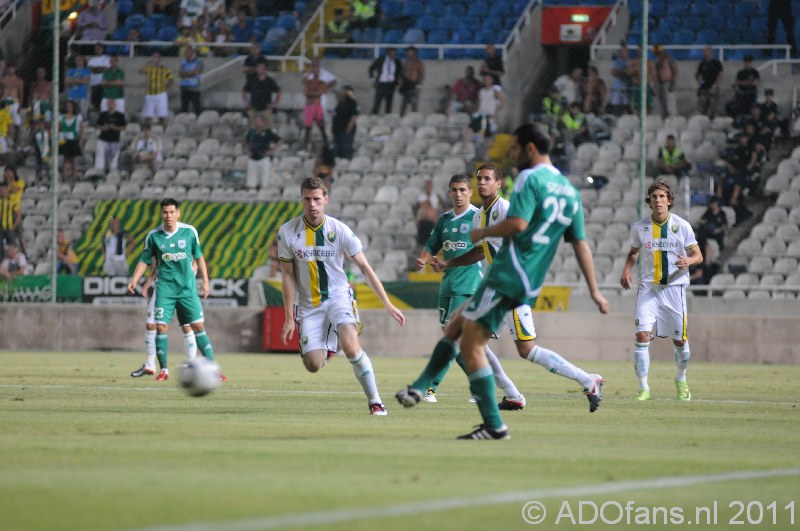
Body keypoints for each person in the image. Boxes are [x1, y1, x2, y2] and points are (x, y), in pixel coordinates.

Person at [396, 124, 609, 440]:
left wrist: (481, 233)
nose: (512, 155)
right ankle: (424, 389)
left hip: (510, 276)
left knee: (472, 342)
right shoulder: (569, 190)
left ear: (530, 149)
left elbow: (517, 225)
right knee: (459, 328)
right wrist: (594, 289)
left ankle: (493, 422)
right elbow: (580, 242)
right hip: (519, 279)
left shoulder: (527, 181)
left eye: (514, 149)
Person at [433, 163, 606, 411]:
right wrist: (449, 262)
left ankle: (589, 380)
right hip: (498, 289)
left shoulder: (505, 209)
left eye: (487, 179)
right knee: (471, 340)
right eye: (479, 179)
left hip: (513, 289)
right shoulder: (479, 216)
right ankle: (513, 394)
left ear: (498, 183)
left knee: (526, 349)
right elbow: (481, 252)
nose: (482, 183)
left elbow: (524, 233)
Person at [277, 177, 405, 415]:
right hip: (309, 306)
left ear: (325, 199)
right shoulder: (287, 232)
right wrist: (288, 317)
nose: (312, 204)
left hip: (338, 298)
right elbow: (287, 276)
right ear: (301, 199)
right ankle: (328, 344)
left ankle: (375, 401)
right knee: (313, 365)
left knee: (352, 346)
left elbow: (365, 268)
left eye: (317, 199)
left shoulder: (339, 230)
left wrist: (387, 303)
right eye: (307, 199)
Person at [417, 171, 526, 408]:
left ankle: (430, 386)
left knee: (453, 338)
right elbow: (432, 244)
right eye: (454, 190)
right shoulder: (445, 220)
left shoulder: (479, 217)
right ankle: (486, 387)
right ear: (449, 192)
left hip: (470, 284)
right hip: (448, 284)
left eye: (462, 190)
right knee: (470, 345)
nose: (458, 194)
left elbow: (480, 252)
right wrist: (425, 259)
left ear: (470, 192)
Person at [620, 179, 702, 402]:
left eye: (662, 197)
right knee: (642, 335)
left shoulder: (682, 226)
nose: (658, 200)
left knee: (680, 341)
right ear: (650, 202)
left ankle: (681, 379)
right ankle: (643, 388)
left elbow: (698, 255)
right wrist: (627, 269)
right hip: (648, 288)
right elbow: (633, 252)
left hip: (674, 289)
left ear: (669, 201)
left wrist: (689, 261)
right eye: (654, 197)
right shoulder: (640, 227)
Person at [128, 198, 224, 382]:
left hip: (187, 289)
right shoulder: (154, 236)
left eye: (172, 212)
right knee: (161, 327)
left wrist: (205, 281)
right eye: (165, 212)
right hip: (165, 289)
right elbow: (145, 260)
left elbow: (199, 257)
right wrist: (135, 279)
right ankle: (163, 370)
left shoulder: (189, 232)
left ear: (178, 213)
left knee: (198, 327)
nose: (169, 215)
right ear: (161, 213)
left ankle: (212, 369)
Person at [130, 263, 200, 379]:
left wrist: (185, 279)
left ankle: (191, 366)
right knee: (151, 324)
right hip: (163, 285)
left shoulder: (188, 244)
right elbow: (158, 263)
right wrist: (148, 282)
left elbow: (196, 262)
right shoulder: (159, 244)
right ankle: (150, 365)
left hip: (183, 285)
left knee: (187, 326)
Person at [470, 73, 505, 157]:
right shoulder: (481, 91)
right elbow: (478, 103)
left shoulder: (494, 91)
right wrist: (474, 111)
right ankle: (474, 153)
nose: (486, 81)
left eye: (488, 79)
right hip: (480, 114)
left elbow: (503, 102)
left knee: (488, 137)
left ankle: (486, 155)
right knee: (472, 131)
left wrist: (496, 113)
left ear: (491, 80)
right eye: (485, 79)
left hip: (489, 115)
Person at [241, 62, 281, 129]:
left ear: (265, 70)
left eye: (262, 68)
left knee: (268, 129)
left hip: (266, 109)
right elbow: (243, 90)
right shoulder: (252, 80)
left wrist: (275, 103)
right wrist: (246, 102)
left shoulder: (270, 81)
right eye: (259, 68)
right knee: (252, 129)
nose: (260, 70)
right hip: (254, 108)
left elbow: (279, 91)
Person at [139, 51, 173, 127]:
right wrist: (148, 62)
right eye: (153, 57)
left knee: (162, 115)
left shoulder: (165, 69)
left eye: (156, 57)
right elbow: (140, 71)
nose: (154, 59)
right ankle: (147, 130)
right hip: (149, 94)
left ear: (159, 58)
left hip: (160, 94)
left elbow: (171, 80)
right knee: (148, 115)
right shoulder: (149, 69)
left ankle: (162, 131)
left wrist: (165, 87)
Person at [245, 115, 280, 189]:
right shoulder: (251, 132)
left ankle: (263, 192)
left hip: (264, 158)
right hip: (253, 158)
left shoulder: (268, 132)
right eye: (257, 121)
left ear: (263, 122)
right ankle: (252, 193)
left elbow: (279, 140)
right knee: (251, 181)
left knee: (264, 180)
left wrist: (271, 150)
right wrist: (248, 150)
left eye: (260, 121)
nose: (258, 123)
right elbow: (246, 141)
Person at [301, 63, 329, 153]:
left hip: (317, 106)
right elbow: (306, 92)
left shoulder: (322, 82)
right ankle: (305, 148)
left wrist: (312, 94)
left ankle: (327, 145)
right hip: (309, 107)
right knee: (307, 128)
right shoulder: (308, 82)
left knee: (321, 127)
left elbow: (319, 93)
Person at [94, 98, 126, 173]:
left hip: (114, 140)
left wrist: (114, 127)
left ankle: (112, 173)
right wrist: (104, 128)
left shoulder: (120, 115)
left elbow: (124, 127)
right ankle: (99, 172)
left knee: (113, 160)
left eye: (112, 103)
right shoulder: (103, 114)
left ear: (115, 104)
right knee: (100, 157)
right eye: (109, 103)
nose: (110, 104)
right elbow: (98, 125)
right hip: (103, 139)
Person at [368, 47, 402, 115]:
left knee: (389, 105)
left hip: (391, 85)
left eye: (395, 54)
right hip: (381, 84)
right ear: (388, 53)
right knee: (377, 103)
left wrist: (399, 80)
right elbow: (371, 68)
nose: (394, 55)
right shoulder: (381, 59)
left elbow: (400, 72)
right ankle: (373, 118)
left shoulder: (397, 61)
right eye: (393, 53)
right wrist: (373, 80)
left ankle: (388, 120)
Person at [59, 100, 84, 182]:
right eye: (67, 107)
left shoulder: (78, 117)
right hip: (65, 139)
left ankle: (75, 175)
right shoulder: (61, 117)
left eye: (70, 106)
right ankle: (65, 176)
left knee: (73, 159)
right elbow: (58, 128)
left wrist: (81, 140)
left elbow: (81, 129)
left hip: (74, 139)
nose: (68, 108)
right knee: (66, 158)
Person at [695, 46, 723, 119]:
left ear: (711, 53)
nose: (705, 54)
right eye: (704, 52)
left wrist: (714, 86)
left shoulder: (716, 63)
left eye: (707, 52)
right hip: (704, 89)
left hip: (713, 88)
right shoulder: (702, 63)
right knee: (702, 109)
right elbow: (698, 76)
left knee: (713, 109)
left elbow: (720, 76)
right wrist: (701, 83)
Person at [332, 85, 358, 160]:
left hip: (346, 131)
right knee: (337, 150)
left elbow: (354, 117)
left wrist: (348, 130)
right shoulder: (339, 103)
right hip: (337, 130)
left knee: (346, 150)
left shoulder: (352, 103)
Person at [399, 46, 424, 117]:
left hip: (414, 84)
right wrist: (401, 81)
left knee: (414, 104)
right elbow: (402, 73)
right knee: (403, 104)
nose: (408, 53)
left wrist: (419, 84)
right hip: (406, 85)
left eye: (410, 51)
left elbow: (421, 74)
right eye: (407, 51)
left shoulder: (418, 62)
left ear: (414, 52)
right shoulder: (405, 62)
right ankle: (401, 119)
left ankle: (415, 119)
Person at [654, 44, 678, 118]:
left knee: (670, 105)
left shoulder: (668, 59)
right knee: (663, 105)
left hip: (668, 83)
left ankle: (672, 120)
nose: (657, 54)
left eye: (658, 52)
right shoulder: (657, 61)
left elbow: (675, 70)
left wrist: (673, 82)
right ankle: (665, 120)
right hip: (661, 84)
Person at [178, 46, 203, 114]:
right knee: (184, 107)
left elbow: (195, 73)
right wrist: (190, 73)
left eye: (188, 52)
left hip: (194, 88)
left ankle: (198, 120)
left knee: (197, 106)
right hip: (184, 87)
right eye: (186, 52)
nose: (186, 53)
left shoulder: (198, 62)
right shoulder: (183, 62)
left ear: (192, 52)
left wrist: (186, 74)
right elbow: (180, 74)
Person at [609, 41, 631, 115]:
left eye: (626, 50)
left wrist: (621, 72)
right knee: (615, 106)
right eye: (623, 50)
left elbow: (630, 72)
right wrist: (624, 72)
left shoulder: (629, 61)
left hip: (626, 88)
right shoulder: (617, 61)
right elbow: (613, 72)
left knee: (626, 106)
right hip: (617, 87)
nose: (626, 52)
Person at [0, 181, 21, 260]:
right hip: (0, 229)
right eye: (0, 190)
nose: (2, 191)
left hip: (9, 228)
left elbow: (18, 215)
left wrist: (13, 227)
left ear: (6, 190)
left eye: (3, 189)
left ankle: (15, 262)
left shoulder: (12, 199)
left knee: (13, 247)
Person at [87, 43, 111, 112]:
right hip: (94, 84)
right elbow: (92, 69)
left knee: (103, 102)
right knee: (95, 102)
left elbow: (105, 69)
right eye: (96, 48)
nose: (97, 50)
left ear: (102, 49)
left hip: (103, 84)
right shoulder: (92, 59)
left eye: (99, 48)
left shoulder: (107, 58)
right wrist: (99, 69)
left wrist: (96, 69)